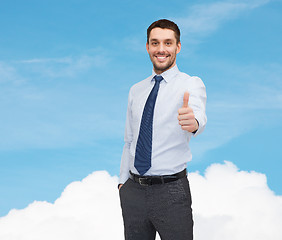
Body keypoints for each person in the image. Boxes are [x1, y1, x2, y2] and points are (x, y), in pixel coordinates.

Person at [118, 19, 207, 240]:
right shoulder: (136, 90)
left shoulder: (190, 84)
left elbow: (198, 115)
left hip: (171, 192)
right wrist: (122, 183)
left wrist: (193, 122)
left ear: (178, 47)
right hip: (133, 192)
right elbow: (130, 140)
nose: (161, 49)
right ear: (147, 46)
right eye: (155, 43)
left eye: (168, 43)